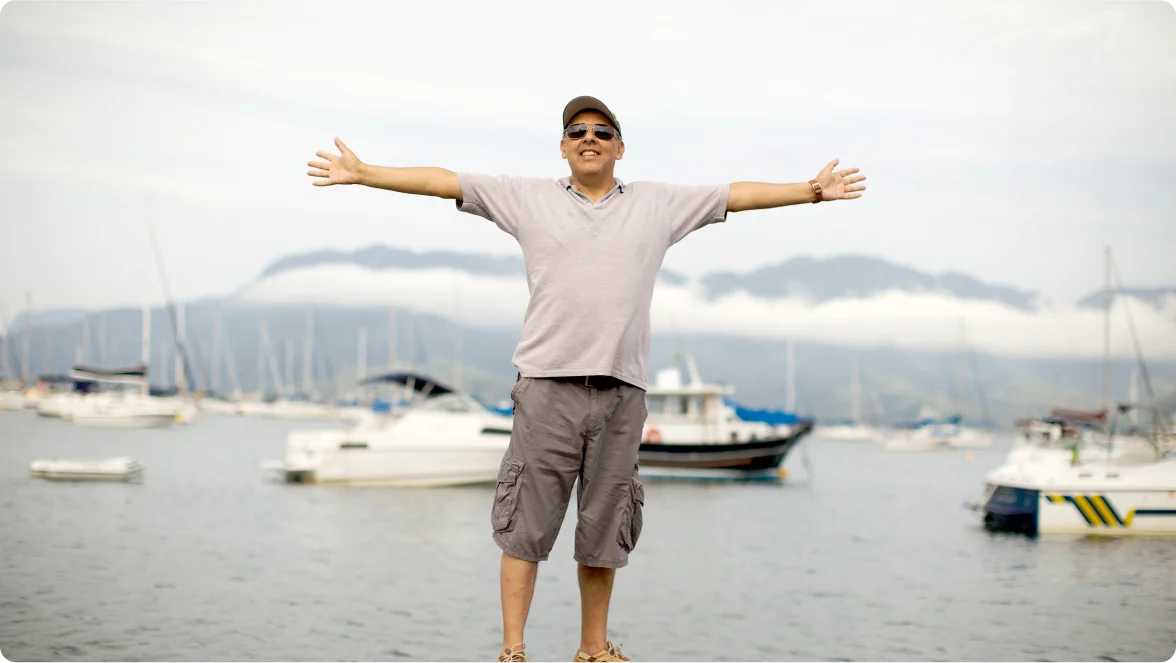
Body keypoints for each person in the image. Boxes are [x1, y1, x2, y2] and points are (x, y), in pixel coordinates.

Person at [307, 95, 866, 662]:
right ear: (563, 146)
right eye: (577, 131)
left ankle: (592, 650)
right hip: (548, 387)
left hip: (623, 393)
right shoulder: (526, 198)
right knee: (525, 523)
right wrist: (363, 174)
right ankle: (513, 651)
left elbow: (737, 195)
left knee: (605, 528)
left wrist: (812, 190)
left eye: (602, 130)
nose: (589, 138)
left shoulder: (658, 204)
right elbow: (444, 181)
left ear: (620, 148)